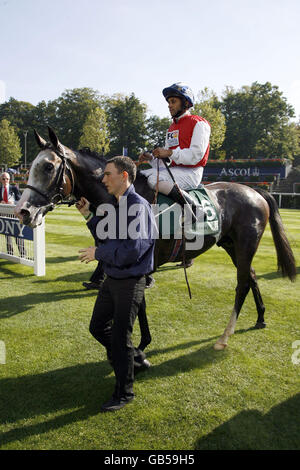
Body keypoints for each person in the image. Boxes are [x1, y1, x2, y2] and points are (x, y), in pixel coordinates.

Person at [76, 156, 155, 412]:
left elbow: (131, 251)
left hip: (130, 281)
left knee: (120, 338)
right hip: (113, 279)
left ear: (124, 176)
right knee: (97, 326)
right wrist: (88, 214)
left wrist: (98, 254)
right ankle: (136, 359)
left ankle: (124, 393)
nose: (103, 179)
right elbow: (105, 235)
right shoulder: (116, 204)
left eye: (108, 174)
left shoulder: (138, 207)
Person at [140, 82, 210, 218]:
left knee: (153, 179)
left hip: (192, 173)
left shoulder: (199, 123)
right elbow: (167, 163)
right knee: (141, 175)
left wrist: (170, 152)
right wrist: (152, 159)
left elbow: (196, 155)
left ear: (185, 103)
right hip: (173, 171)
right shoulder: (171, 128)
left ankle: (194, 207)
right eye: (168, 102)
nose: (169, 105)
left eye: (173, 101)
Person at [0, 172, 26, 257]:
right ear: (1, 180)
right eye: (3, 179)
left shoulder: (14, 188)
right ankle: (10, 253)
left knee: (18, 233)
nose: (5, 180)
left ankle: (23, 253)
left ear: (9, 179)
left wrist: (13, 202)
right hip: (3, 214)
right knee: (7, 235)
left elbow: (21, 200)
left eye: (7, 179)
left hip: (14, 214)